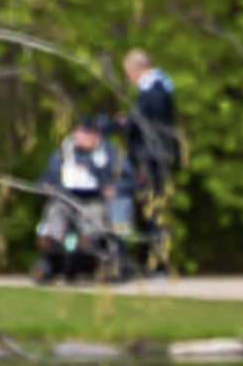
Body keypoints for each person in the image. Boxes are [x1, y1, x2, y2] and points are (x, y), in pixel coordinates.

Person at [35, 118, 130, 282]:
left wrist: (113, 188)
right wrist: (45, 186)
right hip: (65, 197)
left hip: (94, 199)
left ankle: (90, 247)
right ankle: (52, 246)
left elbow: (128, 180)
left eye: (85, 134)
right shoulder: (61, 154)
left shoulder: (109, 154)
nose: (79, 137)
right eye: (77, 133)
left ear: (94, 136)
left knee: (93, 214)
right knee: (55, 211)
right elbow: (46, 178)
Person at [116, 48, 180, 277]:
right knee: (150, 209)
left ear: (137, 69)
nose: (128, 79)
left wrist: (126, 123)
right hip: (154, 155)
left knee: (153, 208)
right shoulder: (160, 87)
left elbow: (146, 124)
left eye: (128, 73)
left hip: (151, 158)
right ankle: (152, 260)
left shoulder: (153, 91)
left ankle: (158, 262)